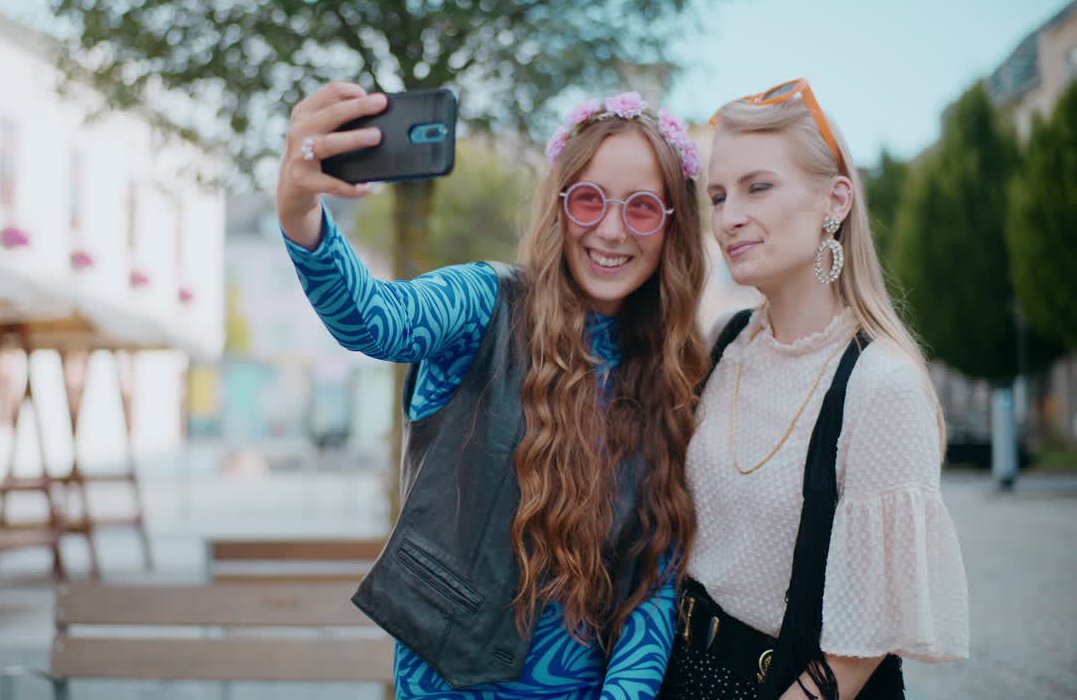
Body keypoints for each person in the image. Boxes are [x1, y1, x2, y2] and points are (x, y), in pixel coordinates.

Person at [275, 82, 709, 697]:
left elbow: (652, 584)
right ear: (559, 207)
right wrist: (299, 211)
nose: (611, 230)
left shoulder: (673, 369)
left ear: (672, 227)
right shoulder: (486, 303)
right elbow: (372, 318)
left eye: (641, 207)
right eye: (588, 200)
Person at [659, 79, 969, 700]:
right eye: (717, 196)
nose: (728, 218)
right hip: (680, 674)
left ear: (836, 200)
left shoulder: (882, 383)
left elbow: (858, 654)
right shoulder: (727, 343)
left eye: (758, 187)